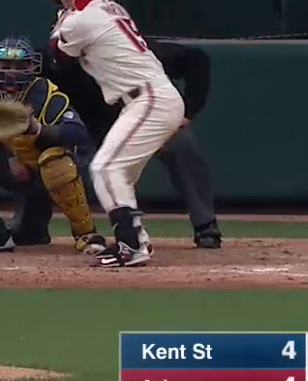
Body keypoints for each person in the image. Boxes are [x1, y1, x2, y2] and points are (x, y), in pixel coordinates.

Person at [47, 0, 184, 268]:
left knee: (105, 168)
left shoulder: (82, 20)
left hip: (151, 98)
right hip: (147, 99)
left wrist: (62, 25)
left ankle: (130, 244)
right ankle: (138, 241)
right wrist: (66, 21)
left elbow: (58, 58)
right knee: (119, 175)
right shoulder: (105, 8)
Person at [44, 37, 222, 248]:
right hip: (87, 131)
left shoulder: (132, 50)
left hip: (142, 121)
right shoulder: (59, 59)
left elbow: (197, 59)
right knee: (47, 155)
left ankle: (205, 225)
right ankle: (32, 227)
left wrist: (188, 112)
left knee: (180, 144)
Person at [0, 36, 107, 254]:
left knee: (54, 160)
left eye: (20, 65)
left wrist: (37, 129)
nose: (12, 72)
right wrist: (11, 158)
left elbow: (78, 134)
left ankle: (86, 235)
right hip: (16, 169)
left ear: (32, 66)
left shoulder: (47, 94)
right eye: (5, 65)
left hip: (63, 173)